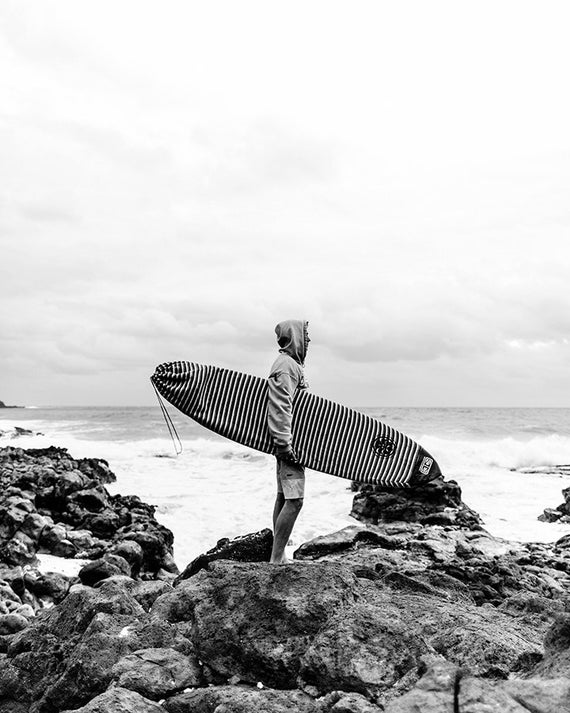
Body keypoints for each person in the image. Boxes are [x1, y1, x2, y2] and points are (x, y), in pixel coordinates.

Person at [267, 319, 310, 563]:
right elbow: (280, 405)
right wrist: (284, 444)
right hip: (289, 444)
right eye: (305, 334)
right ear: (295, 336)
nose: (309, 340)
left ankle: (279, 555)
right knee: (295, 501)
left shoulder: (289, 364)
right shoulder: (286, 366)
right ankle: (276, 559)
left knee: (284, 497)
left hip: (289, 442)